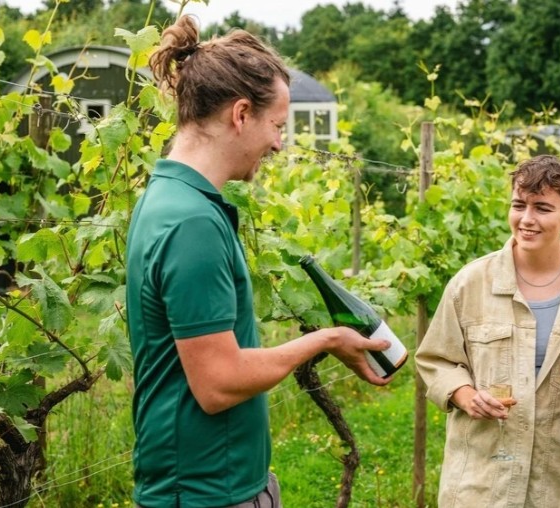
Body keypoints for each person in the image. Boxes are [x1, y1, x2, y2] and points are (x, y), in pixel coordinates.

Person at [125, 16, 391, 508]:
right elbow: (218, 384)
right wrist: (328, 338)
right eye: (278, 126)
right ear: (241, 114)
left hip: (213, 483)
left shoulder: (173, 198)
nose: (279, 144)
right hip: (207, 493)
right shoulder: (191, 222)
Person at [415, 155, 560, 507]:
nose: (527, 219)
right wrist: (465, 395)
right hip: (481, 484)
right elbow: (436, 360)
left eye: (542, 208)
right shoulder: (470, 283)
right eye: (518, 205)